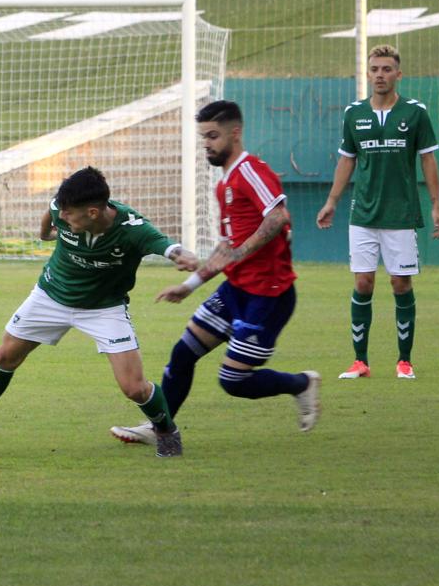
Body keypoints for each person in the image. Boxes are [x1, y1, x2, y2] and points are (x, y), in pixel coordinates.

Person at [0, 167, 199, 457]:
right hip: (51, 295)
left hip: (104, 308)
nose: (64, 217)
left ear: (93, 213)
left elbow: (164, 245)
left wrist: (180, 255)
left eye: (70, 214)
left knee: (134, 388)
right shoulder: (63, 208)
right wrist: (45, 233)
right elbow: (50, 216)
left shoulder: (132, 229)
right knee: (5, 356)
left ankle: (165, 429)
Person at [109, 100, 321, 447]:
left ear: (234, 133)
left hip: (268, 296)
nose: (207, 143)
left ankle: (302, 384)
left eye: (213, 136)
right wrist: (189, 285)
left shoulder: (251, 171)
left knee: (234, 381)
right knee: (183, 354)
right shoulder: (225, 184)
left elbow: (278, 217)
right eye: (203, 137)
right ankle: (161, 427)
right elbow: (226, 247)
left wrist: (240, 252)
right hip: (236, 291)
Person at [316, 44, 439, 380]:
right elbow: (347, 159)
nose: (380, 75)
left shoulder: (415, 113)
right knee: (363, 282)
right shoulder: (353, 113)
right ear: (368, 73)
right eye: (374, 69)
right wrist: (331, 201)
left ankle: (404, 361)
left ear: (398, 75)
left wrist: (435, 206)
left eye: (387, 69)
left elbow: (428, 158)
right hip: (363, 214)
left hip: (401, 214)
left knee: (401, 284)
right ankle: (360, 361)